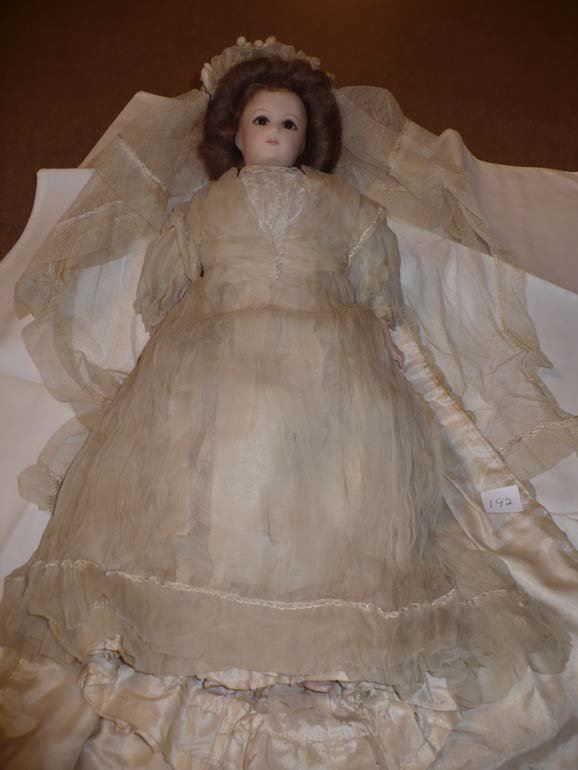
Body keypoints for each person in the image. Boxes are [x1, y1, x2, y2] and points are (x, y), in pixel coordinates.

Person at [0, 39, 575, 770]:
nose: (275, 133)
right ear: (234, 133)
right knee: (210, 463)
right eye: (262, 121)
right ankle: (209, 617)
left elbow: (375, 280)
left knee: (333, 476)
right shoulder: (204, 208)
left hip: (328, 345)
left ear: (312, 139)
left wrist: (377, 326)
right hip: (216, 343)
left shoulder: (347, 206)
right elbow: (162, 289)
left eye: (290, 124)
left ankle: (326, 633)